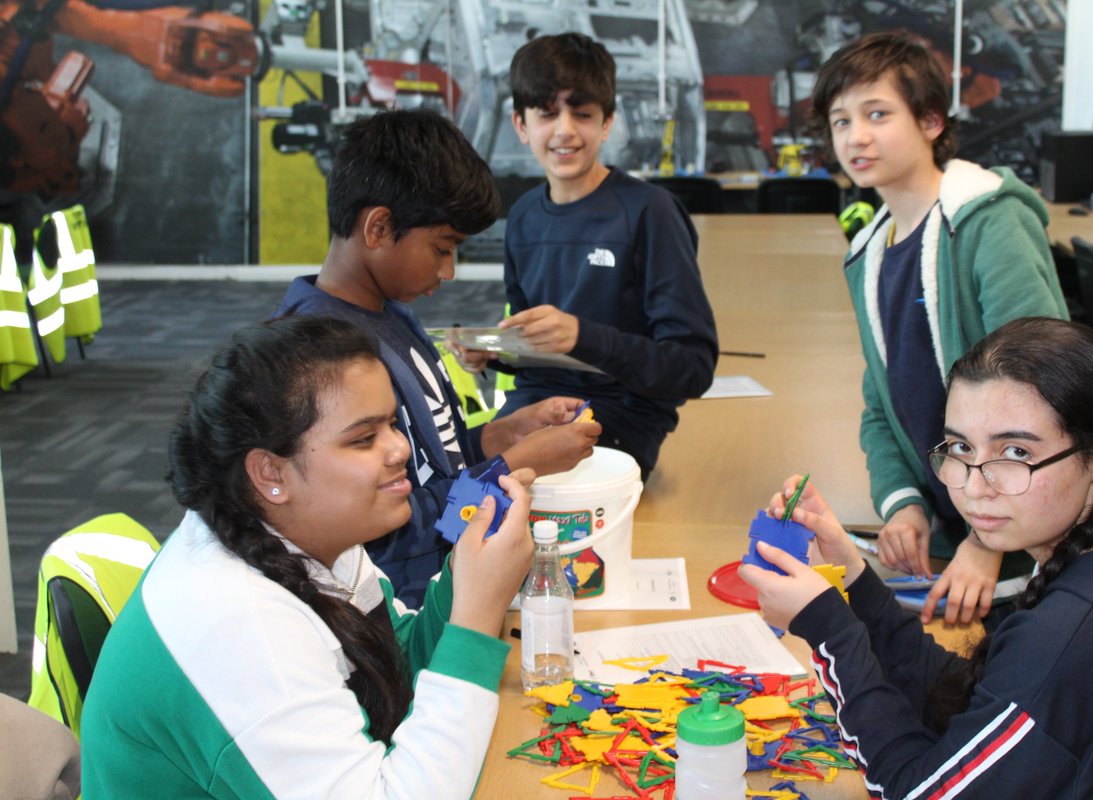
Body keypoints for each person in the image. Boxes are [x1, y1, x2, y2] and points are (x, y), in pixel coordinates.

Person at [740, 317, 1093, 798]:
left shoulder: (1075, 633)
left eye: (1016, 452)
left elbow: (915, 792)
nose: (974, 486)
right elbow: (960, 697)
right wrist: (853, 578)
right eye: (960, 447)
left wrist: (829, 631)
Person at [81, 315, 535, 798]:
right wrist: (476, 618)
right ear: (270, 472)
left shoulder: (308, 539)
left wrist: (468, 575)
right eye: (364, 438)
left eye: (392, 423)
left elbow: (399, 670)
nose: (400, 447)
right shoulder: (238, 628)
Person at [275, 108, 599, 605]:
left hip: (450, 580)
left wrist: (504, 434)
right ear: (379, 228)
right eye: (442, 248)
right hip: (402, 611)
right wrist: (510, 466)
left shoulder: (394, 316)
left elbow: (434, 465)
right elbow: (383, 529)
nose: (448, 271)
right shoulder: (321, 355)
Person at [809, 32, 1068, 625]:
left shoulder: (987, 221)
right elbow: (881, 406)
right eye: (841, 120)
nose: (857, 136)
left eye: (878, 114)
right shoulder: (870, 253)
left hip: (1027, 542)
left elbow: (1046, 390)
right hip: (948, 542)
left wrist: (988, 540)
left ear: (930, 122)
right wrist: (902, 505)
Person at [457, 32, 718, 479]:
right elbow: (533, 342)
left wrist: (582, 335)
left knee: (505, 491)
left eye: (582, 114)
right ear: (521, 124)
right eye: (546, 114)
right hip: (533, 406)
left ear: (607, 122)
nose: (564, 130)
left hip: (621, 415)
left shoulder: (649, 212)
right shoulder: (522, 217)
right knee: (445, 473)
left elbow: (691, 368)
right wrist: (494, 353)